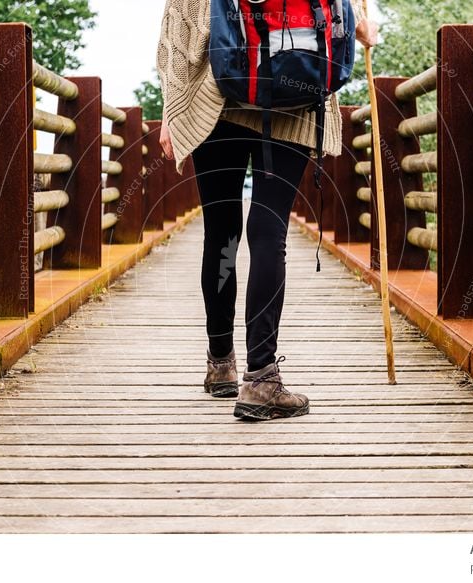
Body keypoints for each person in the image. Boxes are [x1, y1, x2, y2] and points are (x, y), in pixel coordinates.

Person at [156, 0, 378, 420]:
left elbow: (176, 37)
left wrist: (172, 111)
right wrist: (366, 29)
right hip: (294, 101)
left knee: (221, 232)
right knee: (269, 230)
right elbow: (348, 32)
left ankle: (221, 362)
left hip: (216, 104)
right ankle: (261, 379)